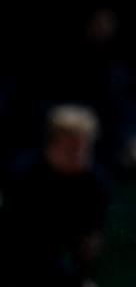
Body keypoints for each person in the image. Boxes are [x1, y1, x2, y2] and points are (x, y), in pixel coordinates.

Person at [0, 104, 111, 287]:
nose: (80, 152)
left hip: (60, 268)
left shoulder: (95, 184)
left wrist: (83, 278)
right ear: (53, 142)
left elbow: (90, 242)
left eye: (85, 145)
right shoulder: (21, 176)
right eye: (72, 146)